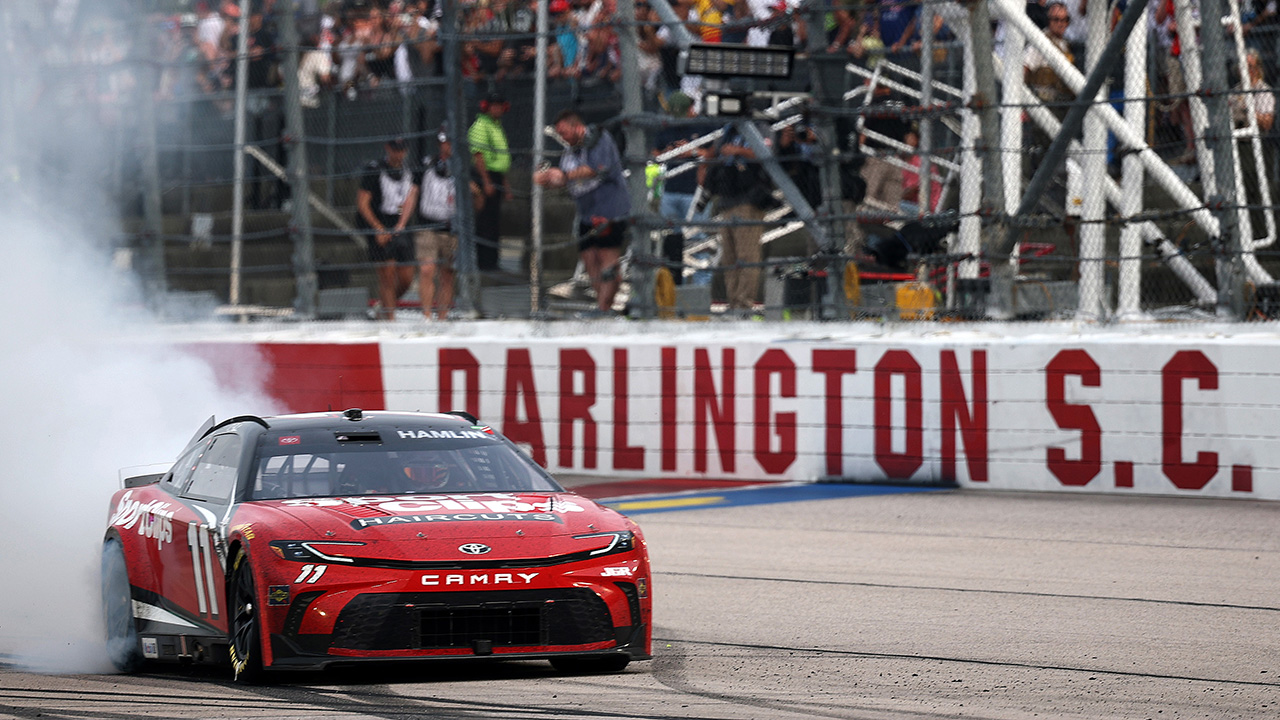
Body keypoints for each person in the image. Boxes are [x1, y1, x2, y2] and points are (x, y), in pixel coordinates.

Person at [534, 109, 632, 313]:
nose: (563, 138)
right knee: (588, 258)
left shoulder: (598, 139)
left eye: (565, 132)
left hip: (608, 209)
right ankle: (603, 302)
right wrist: (548, 179)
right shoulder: (570, 150)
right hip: (586, 213)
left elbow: (594, 169)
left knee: (607, 258)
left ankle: (603, 308)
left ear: (577, 127)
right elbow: (566, 179)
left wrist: (564, 175)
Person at [705, 122, 774, 312]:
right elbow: (715, 155)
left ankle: (744, 304)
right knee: (729, 257)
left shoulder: (760, 127)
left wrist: (739, 151)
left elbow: (766, 154)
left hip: (749, 199)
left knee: (747, 255)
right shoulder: (727, 130)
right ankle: (733, 302)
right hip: (727, 198)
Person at [415, 127, 483, 320]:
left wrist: (475, 192)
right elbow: (413, 191)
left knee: (447, 273)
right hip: (427, 225)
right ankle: (427, 316)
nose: (447, 146)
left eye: (450, 142)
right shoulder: (427, 164)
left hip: (452, 228)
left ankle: (443, 316)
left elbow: (478, 204)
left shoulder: (465, 169)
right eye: (444, 143)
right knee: (427, 269)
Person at [653, 92, 714, 284]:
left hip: (695, 190)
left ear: (691, 108)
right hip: (670, 190)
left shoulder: (705, 125)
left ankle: (701, 285)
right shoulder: (668, 126)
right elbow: (655, 151)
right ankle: (673, 285)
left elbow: (714, 152)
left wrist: (692, 151)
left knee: (698, 239)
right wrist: (667, 153)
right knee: (670, 240)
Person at [357, 137, 419, 320]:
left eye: (401, 150)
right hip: (380, 222)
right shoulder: (374, 170)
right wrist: (378, 228)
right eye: (395, 149)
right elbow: (362, 203)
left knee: (407, 278)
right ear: (388, 149)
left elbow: (411, 197)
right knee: (387, 274)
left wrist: (401, 224)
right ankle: (389, 318)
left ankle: (383, 306)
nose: (398, 153)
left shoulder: (410, 171)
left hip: (401, 224)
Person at [468, 92, 512, 271]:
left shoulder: (496, 126)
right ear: (486, 107)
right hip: (484, 175)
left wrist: (505, 184)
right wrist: (486, 181)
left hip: (496, 176)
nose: (497, 108)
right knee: (485, 220)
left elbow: (500, 159)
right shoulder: (481, 125)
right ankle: (484, 262)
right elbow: (478, 155)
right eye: (494, 105)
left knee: (494, 220)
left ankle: (493, 261)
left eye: (500, 105)